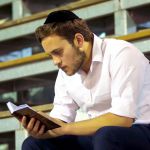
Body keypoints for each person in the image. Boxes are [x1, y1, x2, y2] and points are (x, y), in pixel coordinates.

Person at [21, 10, 150, 150]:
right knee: (33, 143)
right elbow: (61, 118)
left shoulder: (121, 53)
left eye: (58, 52)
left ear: (79, 40)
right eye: (50, 56)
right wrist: (44, 126)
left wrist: (65, 129)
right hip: (98, 137)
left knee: (106, 135)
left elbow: (123, 119)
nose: (55, 62)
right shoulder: (66, 70)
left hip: (141, 129)